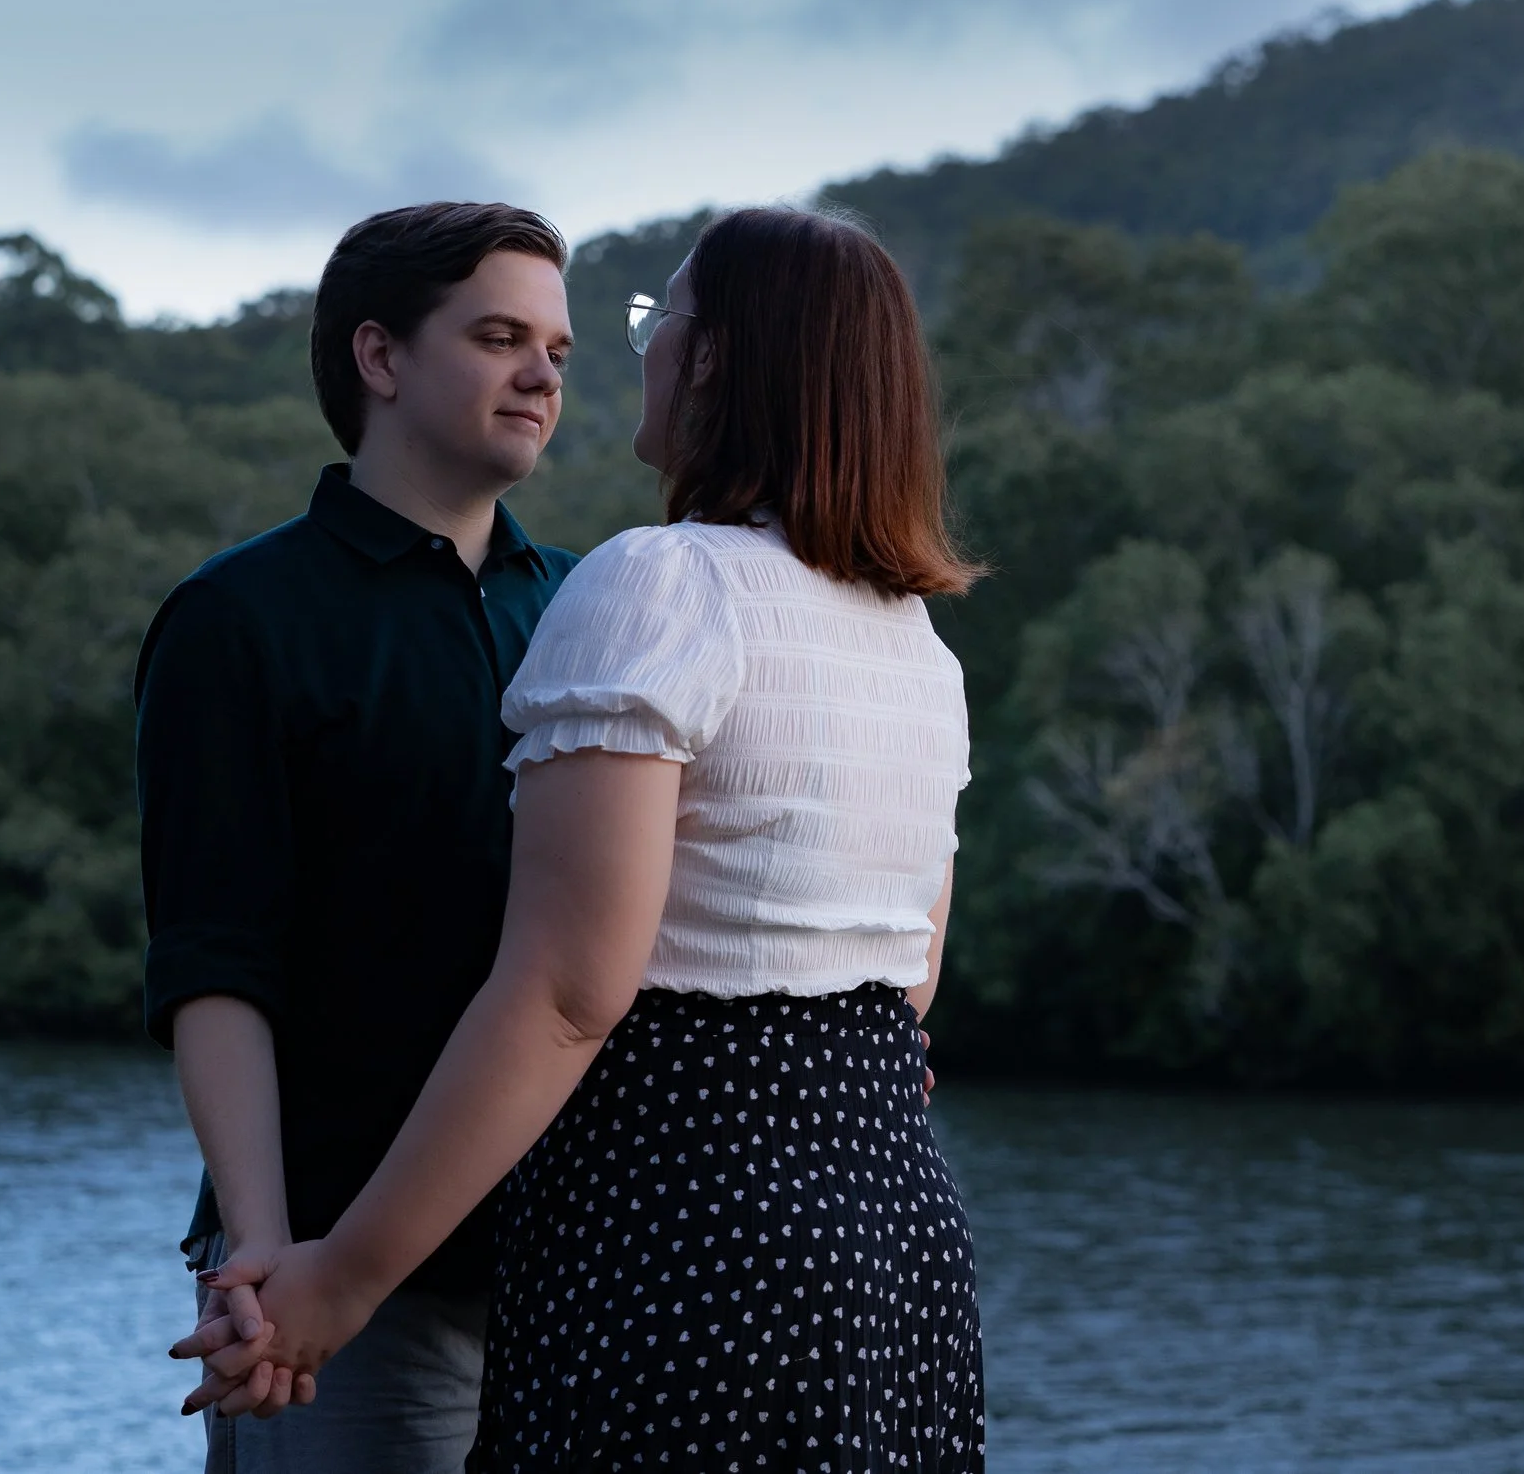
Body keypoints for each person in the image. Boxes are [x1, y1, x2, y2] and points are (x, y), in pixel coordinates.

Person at [183, 207, 988, 1470]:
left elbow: (567, 990)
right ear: (378, 357)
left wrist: (337, 1280)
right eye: (503, 334)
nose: (590, 363)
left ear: (715, 358)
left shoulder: (643, 586)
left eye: (643, 324)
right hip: (883, 1228)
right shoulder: (916, 645)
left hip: (679, 1229)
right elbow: (909, 980)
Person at [135, 201, 582, 1473]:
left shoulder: (592, 610)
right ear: (379, 357)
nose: (542, 371)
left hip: (584, 1276)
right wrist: (267, 1253)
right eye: (499, 335)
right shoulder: (239, 616)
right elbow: (216, 959)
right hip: (346, 1284)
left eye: (556, 346)